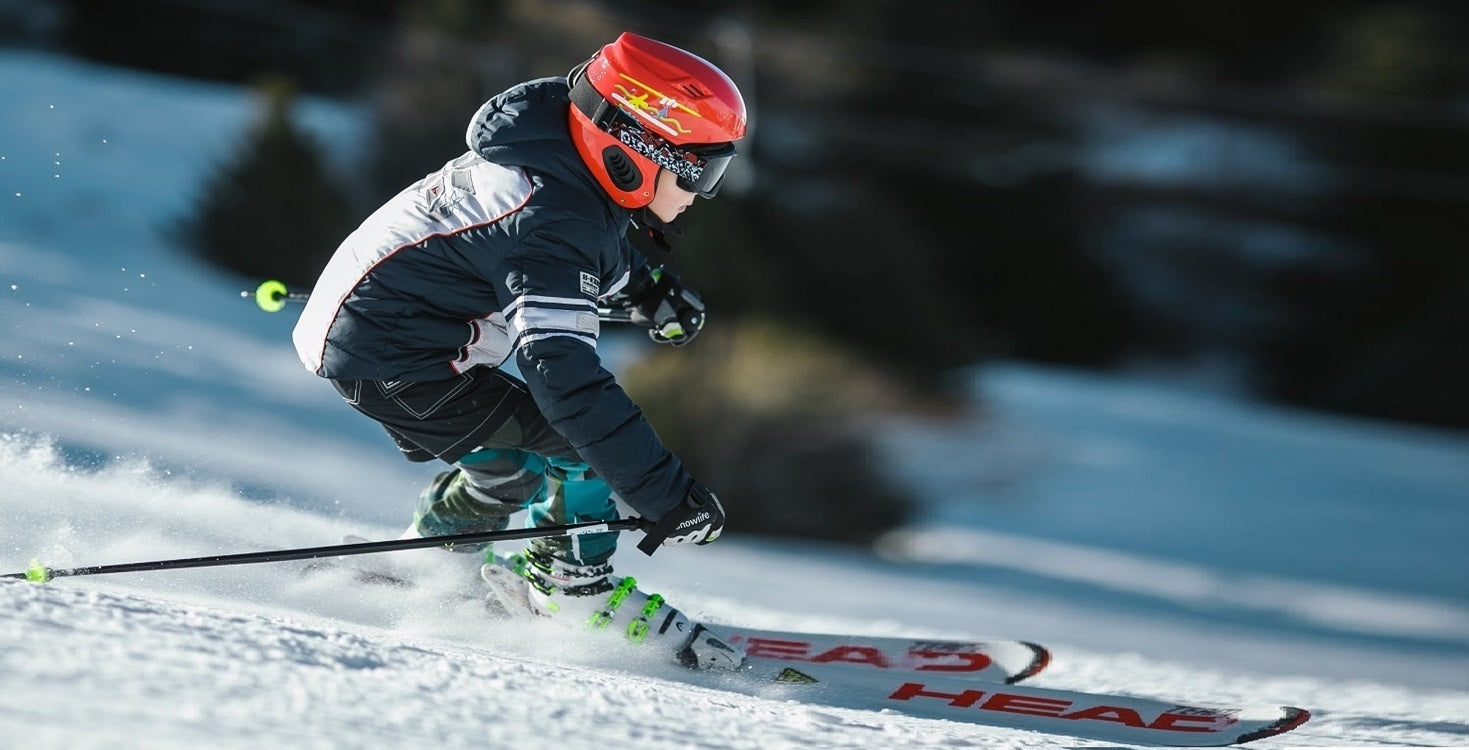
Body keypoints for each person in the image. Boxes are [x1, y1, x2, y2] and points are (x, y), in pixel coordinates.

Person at [291, 32, 745, 669]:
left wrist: (649, 289)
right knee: (578, 451)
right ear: (636, 151)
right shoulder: (551, 221)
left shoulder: (558, 159)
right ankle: (571, 587)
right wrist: (663, 493)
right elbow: (563, 377)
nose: (702, 193)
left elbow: (585, 247)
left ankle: (430, 558)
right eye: (703, 171)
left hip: (385, 336)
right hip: (395, 357)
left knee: (514, 467)